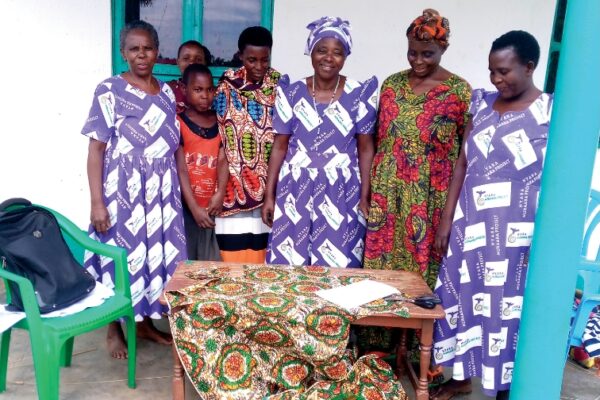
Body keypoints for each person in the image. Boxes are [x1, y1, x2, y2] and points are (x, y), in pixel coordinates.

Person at [429, 31, 552, 400]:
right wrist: (448, 219)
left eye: (504, 72)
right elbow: (463, 163)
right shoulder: (481, 105)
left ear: (530, 67)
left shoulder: (551, 111)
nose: (496, 80)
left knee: (507, 308)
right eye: (492, 72)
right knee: (462, 298)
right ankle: (461, 377)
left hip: (518, 233)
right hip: (472, 224)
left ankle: (505, 385)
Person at [82, 20, 187, 359]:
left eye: (148, 48)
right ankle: (113, 328)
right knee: (120, 257)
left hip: (161, 192)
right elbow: (96, 150)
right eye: (134, 49)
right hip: (123, 191)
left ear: (157, 52)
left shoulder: (168, 92)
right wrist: (98, 203)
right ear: (123, 53)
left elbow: (175, 148)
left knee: (155, 257)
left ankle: (143, 323)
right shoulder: (109, 90)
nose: (141, 55)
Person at [363, 9, 471, 289]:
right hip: (386, 195)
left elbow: (463, 155)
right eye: (413, 53)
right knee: (379, 275)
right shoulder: (391, 85)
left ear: (442, 49)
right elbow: (378, 140)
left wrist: (449, 216)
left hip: (429, 198)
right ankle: (378, 331)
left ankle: (417, 334)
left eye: (428, 54)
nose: (418, 60)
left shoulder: (459, 92)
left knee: (421, 275)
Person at [262, 16, 378, 268]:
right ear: (311, 52)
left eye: (338, 52)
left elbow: (366, 148)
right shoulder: (290, 92)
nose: (328, 58)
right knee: (291, 263)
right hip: (295, 188)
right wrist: (269, 195)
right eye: (321, 50)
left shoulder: (360, 93)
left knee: (338, 263)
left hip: (342, 190)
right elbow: (279, 146)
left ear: (345, 56)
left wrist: (366, 194)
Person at [214, 26, 288, 263]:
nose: (258, 66)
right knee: (233, 258)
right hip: (233, 185)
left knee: (264, 254)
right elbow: (222, 133)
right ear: (240, 56)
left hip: (269, 182)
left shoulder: (281, 86)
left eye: (264, 60)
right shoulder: (227, 85)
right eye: (251, 60)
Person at [175, 63, 228, 261]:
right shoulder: (177, 123)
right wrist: (194, 208)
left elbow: (223, 160)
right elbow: (180, 169)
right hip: (186, 207)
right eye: (198, 90)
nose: (205, 95)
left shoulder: (221, 122)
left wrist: (220, 192)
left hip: (211, 205)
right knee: (185, 259)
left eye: (209, 90)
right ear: (183, 89)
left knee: (209, 261)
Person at [167, 40, 211, 113]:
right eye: (186, 58)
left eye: (198, 59)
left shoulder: (213, 94)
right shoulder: (169, 89)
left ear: (205, 63)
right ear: (178, 62)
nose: (192, 62)